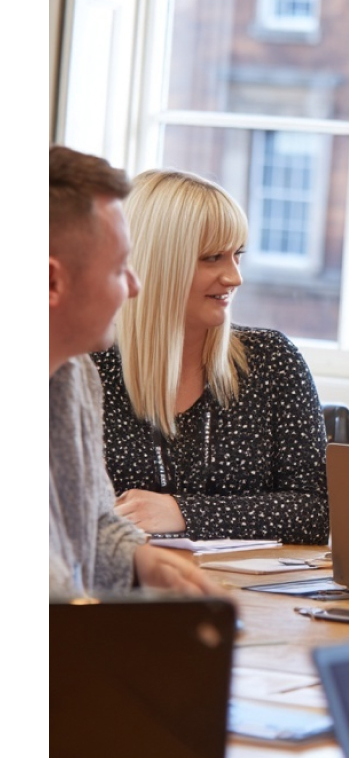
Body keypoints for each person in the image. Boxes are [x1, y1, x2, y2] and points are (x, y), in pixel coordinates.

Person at [91, 169, 329, 544]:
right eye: (212, 258)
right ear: (157, 264)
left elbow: (314, 512)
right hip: (122, 590)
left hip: (253, 597)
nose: (234, 277)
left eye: (238, 256)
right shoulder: (85, 369)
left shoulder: (272, 360)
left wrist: (182, 512)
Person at [49, 146, 222, 598]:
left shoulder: (76, 375)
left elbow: (94, 523)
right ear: (51, 283)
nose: (135, 286)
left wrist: (140, 561)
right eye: (119, 268)